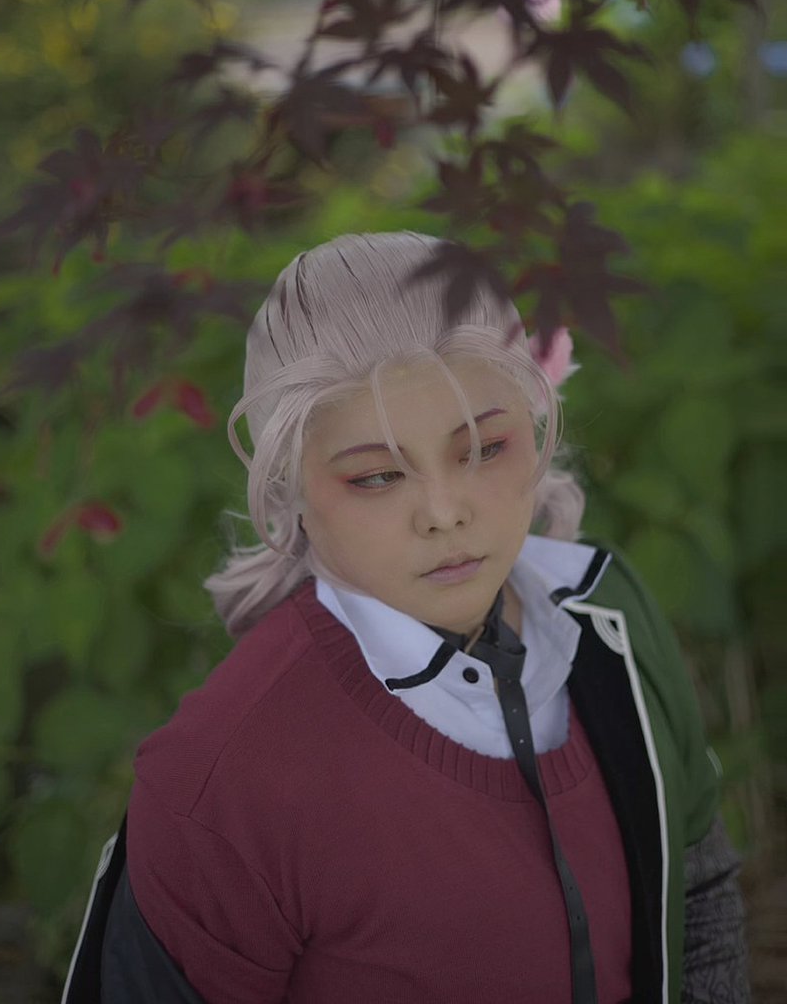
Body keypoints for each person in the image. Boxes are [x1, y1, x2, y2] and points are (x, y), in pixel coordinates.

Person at [62, 230, 749, 1003]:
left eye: (484, 448)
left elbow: (698, 893)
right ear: (289, 489)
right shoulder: (223, 777)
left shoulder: (612, 613)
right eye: (377, 476)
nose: (444, 513)